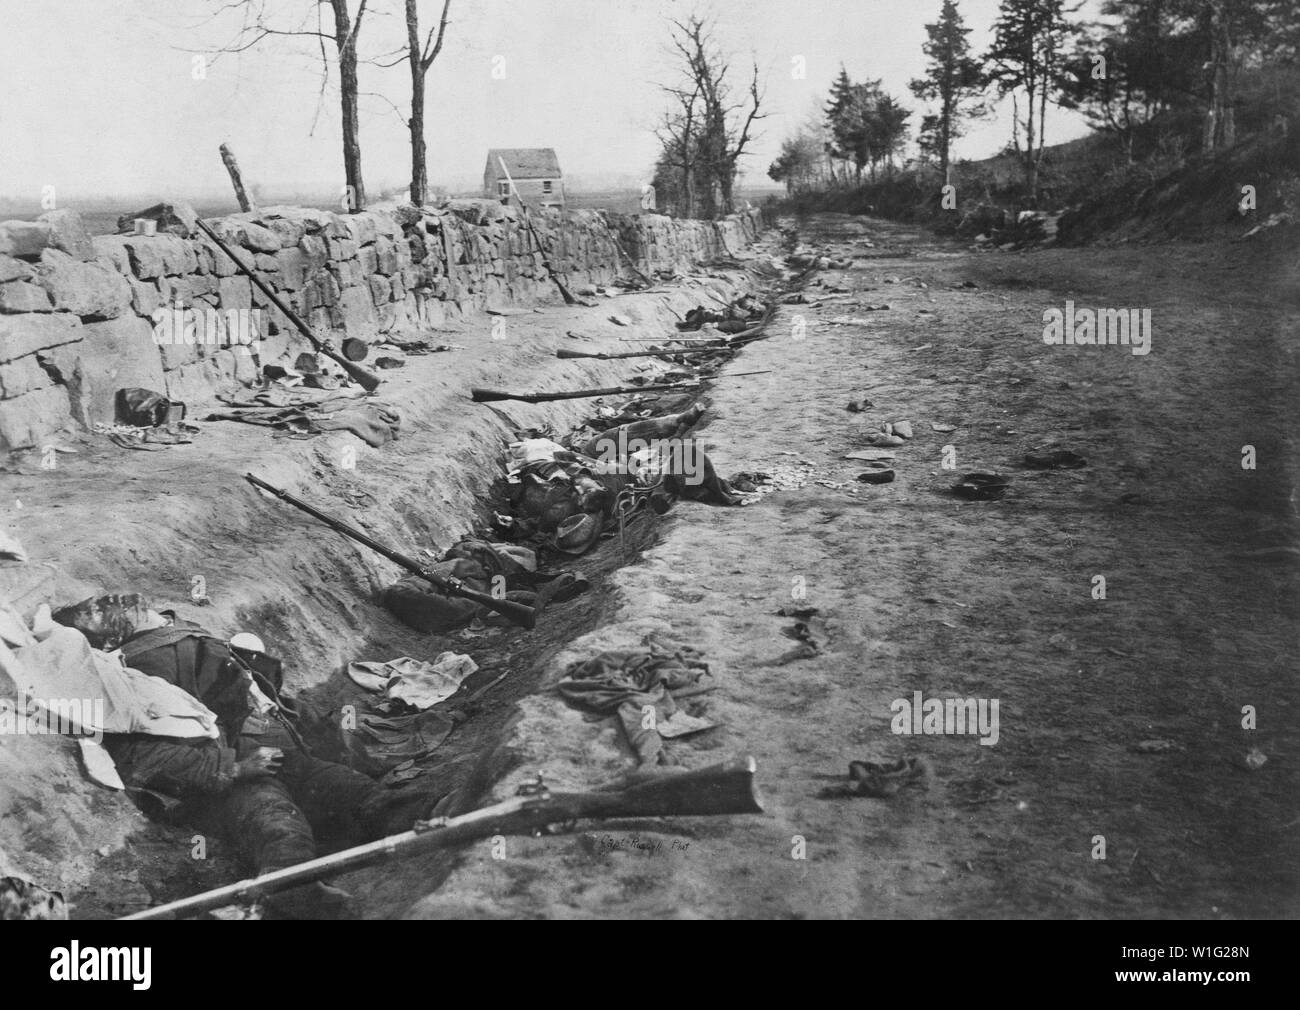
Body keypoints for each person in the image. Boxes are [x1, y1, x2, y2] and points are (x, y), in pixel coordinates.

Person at [52, 595, 433, 918]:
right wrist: (234, 767)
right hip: (216, 779)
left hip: (252, 750)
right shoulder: (125, 684)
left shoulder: (177, 632)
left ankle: (411, 814)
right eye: (98, 612)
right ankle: (289, 886)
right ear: (106, 644)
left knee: (339, 781)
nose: (110, 601)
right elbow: (143, 758)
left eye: (99, 600)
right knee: (277, 821)